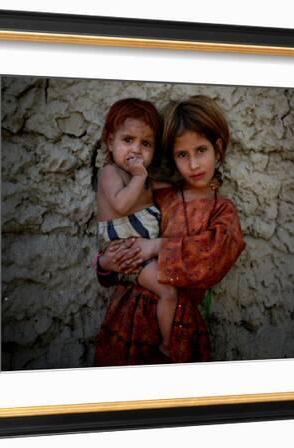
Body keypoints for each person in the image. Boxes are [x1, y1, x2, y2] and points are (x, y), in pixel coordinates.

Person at [94, 95, 246, 366]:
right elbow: (117, 250)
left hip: (177, 326)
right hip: (126, 320)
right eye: (182, 155)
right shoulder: (157, 196)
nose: (194, 164)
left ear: (218, 148)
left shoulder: (221, 211)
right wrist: (105, 263)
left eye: (201, 150)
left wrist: (155, 246)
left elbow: (211, 258)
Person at [95, 98, 178, 358]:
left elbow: (173, 186)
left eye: (146, 143)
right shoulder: (110, 173)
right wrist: (140, 177)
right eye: (128, 140)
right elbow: (120, 204)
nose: (136, 150)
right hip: (126, 252)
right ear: (110, 142)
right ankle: (168, 344)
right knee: (168, 291)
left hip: (140, 253)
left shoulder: (144, 178)